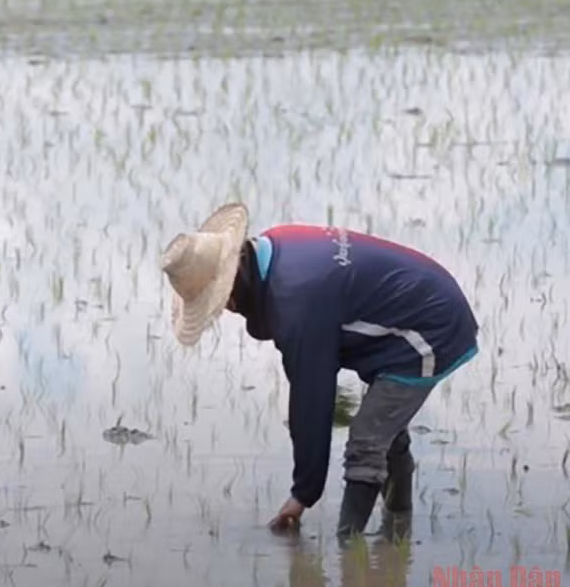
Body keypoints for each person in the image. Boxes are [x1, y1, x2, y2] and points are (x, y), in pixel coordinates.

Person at [159, 202, 479, 541]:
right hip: (422, 297)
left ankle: (350, 551)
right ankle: (399, 526)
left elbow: (312, 400)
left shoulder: (295, 300)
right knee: (387, 427)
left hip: (432, 329)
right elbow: (306, 372)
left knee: (367, 441)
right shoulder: (275, 246)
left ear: (234, 277)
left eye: (223, 301)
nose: (229, 309)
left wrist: (302, 495)